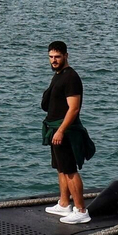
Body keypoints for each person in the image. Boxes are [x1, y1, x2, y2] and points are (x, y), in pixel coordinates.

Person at [42, 40, 94, 225]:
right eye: (51, 57)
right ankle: (64, 204)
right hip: (55, 128)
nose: (54, 60)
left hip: (66, 131)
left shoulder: (71, 77)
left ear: (66, 56)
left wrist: (61, 131)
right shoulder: (59, 74)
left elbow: (74, 109)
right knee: (60, 167)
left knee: (70, 170)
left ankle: (81, 210)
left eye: (57, 57)